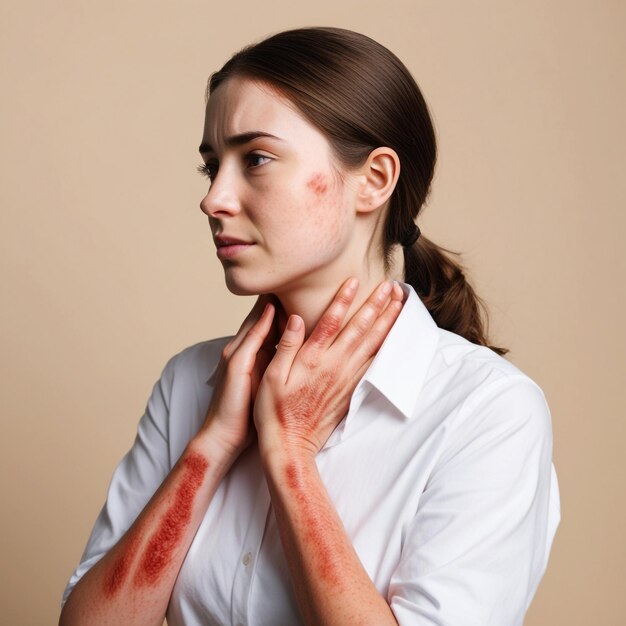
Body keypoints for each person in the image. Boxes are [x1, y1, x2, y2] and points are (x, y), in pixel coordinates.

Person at [59, 26, 560, 626]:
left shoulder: (489, 413)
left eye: (257, 159)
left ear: (373, 179)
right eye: (212, 166)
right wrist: (212, 445)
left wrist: (290, 454)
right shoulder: (190, 382)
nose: (214, 198)